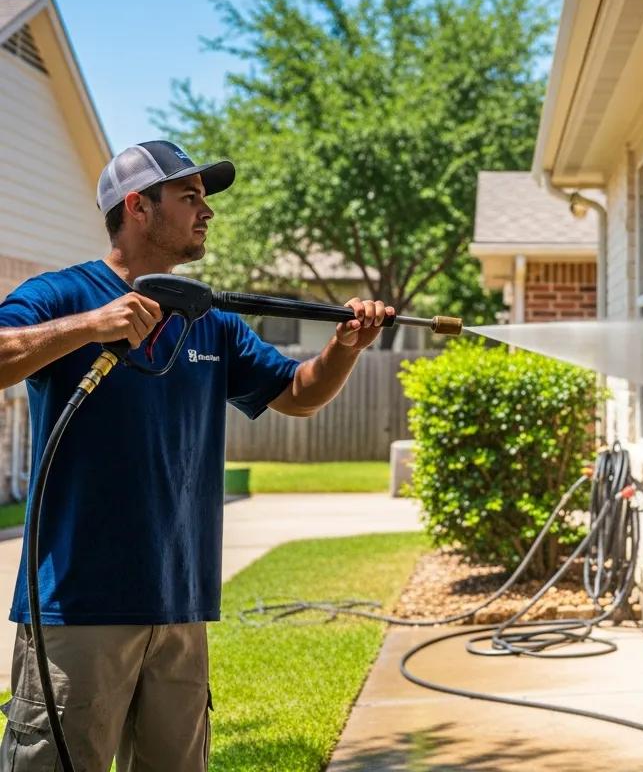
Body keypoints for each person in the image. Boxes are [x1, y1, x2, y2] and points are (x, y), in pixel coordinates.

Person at [0, 140, 392, 770]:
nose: (205, 212)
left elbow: (296, 394)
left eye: (204, 200)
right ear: (138, 207)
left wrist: (345, 348)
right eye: (190, 198)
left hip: (179, 608)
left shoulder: (209, 321)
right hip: (77, 610)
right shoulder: (62, 294)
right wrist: (90, 325)